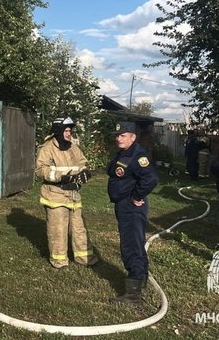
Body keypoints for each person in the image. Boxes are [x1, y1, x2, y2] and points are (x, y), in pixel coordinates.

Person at [35, 116, 98, 269]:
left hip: (74, 195)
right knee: (58, 230)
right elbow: (40, 170)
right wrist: (62, 177)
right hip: (55, 195)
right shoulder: (47, 148)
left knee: (79, 228)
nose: (69, 134)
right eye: (67, 130)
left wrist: (85, 172)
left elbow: (83, 162)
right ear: (58, 130)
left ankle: (85, 257)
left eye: (70, 130)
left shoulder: (73, 147)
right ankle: (59, 260)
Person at [107, 121, 159, 305]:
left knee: (131, 246)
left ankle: (133, 294)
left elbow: (151, 178)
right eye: (117, 135)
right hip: (124, 205)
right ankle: (141, 281)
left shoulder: (138, 156)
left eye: (123, 135)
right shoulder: (125, 153)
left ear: (133, 137)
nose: (118, 138)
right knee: (136, 244)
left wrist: (137, 195)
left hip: (131, 207)